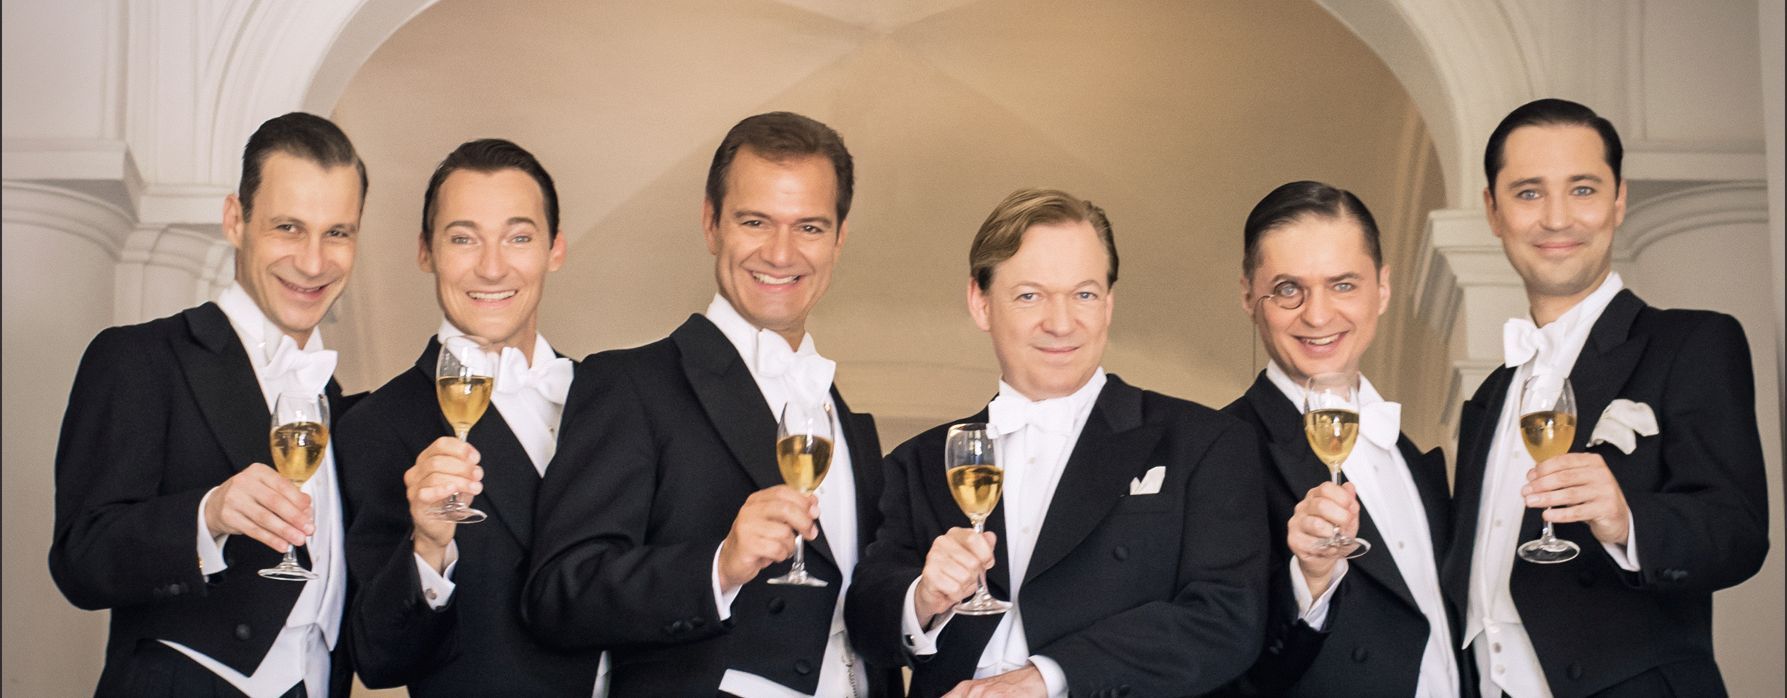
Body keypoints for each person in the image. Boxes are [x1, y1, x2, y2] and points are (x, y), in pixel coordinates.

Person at [522, 112, 901, 696]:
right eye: (755, 221)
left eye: (809, 227)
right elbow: (559, 595)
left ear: (839, 239)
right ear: (711, 224)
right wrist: (718, 566)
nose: (781, 253)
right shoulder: (628, 384)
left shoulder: (848, 421)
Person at [845, 188, 1268, 698]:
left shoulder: (1205, 442)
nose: (1062, 323)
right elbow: (865, 621)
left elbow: (1225, 619)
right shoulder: (919, 462)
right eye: (1030, 295)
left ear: (1108, 304)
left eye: (1084, 294)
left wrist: (1047, 678)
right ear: (980, 303)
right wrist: (923, 597)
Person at [1445, 98, 1769, 697]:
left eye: (1583, 190)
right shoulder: (1488, 400)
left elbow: (1738, 531)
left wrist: (1627, 520)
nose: (1557, 219)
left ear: (1619, 200)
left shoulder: (1692, 342)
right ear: (1493, 210)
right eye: (1529, 193)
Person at [49, 112, 366, 697]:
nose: (314, 261)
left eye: (338, 233)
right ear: (235, 220)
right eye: (289, 228)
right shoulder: (142, 357)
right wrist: (207, 515)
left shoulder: (344, 409)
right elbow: (80, 558)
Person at [334, 138, 608, 694]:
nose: (492, 267)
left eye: (518, 237)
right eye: (463, 238)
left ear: (555, 248)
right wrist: (428, 547)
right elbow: (379, 660)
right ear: (426, 251)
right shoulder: (374, 427)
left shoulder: (615, 397)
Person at [1220, 181, 1464, 696]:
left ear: (1383, 288)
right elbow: (1216, 668)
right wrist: (1308, 582)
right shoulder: (1215, 454)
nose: (1317, 314)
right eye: (1289, 289)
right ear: (1248, 296)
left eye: (1343, 285)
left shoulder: (1416, 459)